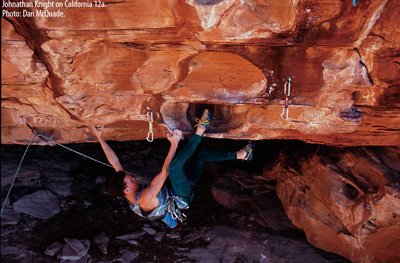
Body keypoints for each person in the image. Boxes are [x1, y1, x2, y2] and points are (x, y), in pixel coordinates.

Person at [92, 109, 254, 228]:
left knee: (202, 156)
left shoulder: (125, 187)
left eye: (131, 177)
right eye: (131, 180)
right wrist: (174, 143)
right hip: (181, 196)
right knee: (175, 168)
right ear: (126, 190)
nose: (134, 178)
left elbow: (115, 162)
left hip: (176, 187)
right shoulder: (144, 199)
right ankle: (200, 130)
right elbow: (165, 171)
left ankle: (242, 155)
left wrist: (100, 138)